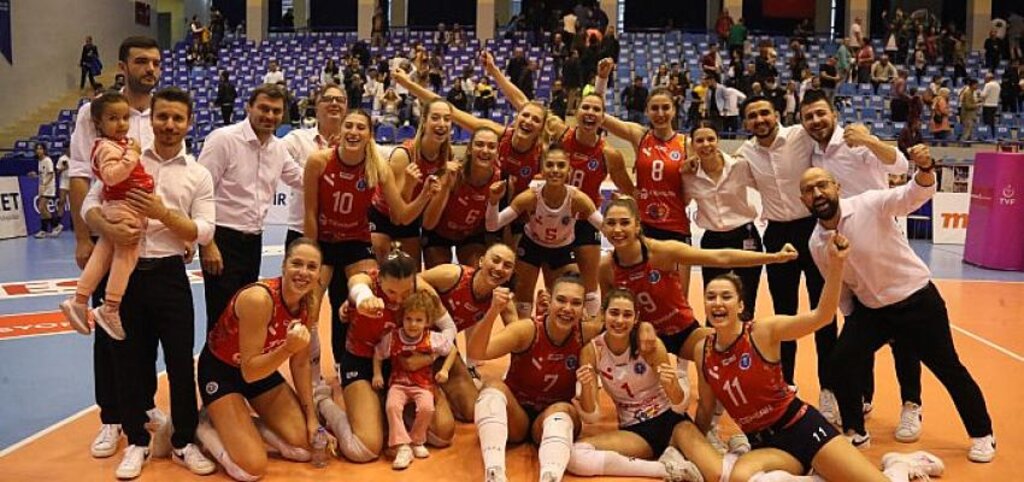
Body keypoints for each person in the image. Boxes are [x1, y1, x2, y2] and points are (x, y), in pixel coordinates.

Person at [671, 249, 945, 481]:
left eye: (726, 296)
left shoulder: (762, 332)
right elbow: (706, 408)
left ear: (741, 305)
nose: (717, 303)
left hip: (801, 428)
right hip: (763, 443)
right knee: (741, 478)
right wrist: (694, 447)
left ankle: (899, 465)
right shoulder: (703, 350)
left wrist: (836, 265)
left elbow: (821, 316)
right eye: (710, 297)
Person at [802, 152, 996, 462]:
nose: (817, 193)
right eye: (809, 190)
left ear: (837, 187)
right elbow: (841, 288)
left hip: (917, 301)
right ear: (803, 200)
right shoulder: (816, 243)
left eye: (822, 185)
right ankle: (855, 431)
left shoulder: (869, 203)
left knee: (948, 368)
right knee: (840, 362)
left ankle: (982, 434)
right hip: (872, 312)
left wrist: (926, 168)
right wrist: (854, 324)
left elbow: (912, 194)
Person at [80, 87, 217, 480]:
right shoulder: (127, 157)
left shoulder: (198, 173)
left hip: (170, 276)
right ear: (152, 119)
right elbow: (90, 204)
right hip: (127, 277)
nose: (169, 125)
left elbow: (204, 230)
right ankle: (137, 442)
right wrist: (107, 227)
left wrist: (163, 214)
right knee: (128, 362)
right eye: (162, 117)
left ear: (189, 123)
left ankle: (183, 441)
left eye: (178, 118)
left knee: (180, 363)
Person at [798, 91, 922, 436]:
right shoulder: (814, 153)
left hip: (880, 244)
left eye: (820, 113)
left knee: (903, 332)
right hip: (841, 249)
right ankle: (862, 396)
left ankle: (911, 405)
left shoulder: (856, 141)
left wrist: (869, 140)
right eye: (808, 117)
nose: (816, 121)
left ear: (834, 114)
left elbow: (900, 166)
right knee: (855, 321)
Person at [68, 35, 164, 461]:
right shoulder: (96, 112)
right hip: (109, 228)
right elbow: (79, 174)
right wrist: (84, 236)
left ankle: (143, 406)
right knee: (108, 335)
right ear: (123, 66)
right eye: (141, 61)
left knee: (141, 329)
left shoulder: (162, 111)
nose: (150, 69)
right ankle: (110, 418)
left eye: (155, 62)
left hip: (148, 239)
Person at [481, 50, 632, 317]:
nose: (590, 113)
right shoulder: (561, 133)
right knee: (531, 282)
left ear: (603, 117)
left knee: (587, 286)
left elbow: (630, 190)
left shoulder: (610, 154)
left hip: (584, 218)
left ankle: (588, 331)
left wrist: (635, 210)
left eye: (596, 111)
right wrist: (494, 72)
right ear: (576, 112)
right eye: (585, 108)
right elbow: (522, 102)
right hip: (548, 213)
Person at [195, 239, 322, 481]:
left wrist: (312, 417)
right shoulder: (259, 299)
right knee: (251, 469)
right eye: (297, 264)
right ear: (283, 266)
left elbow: (301, 363)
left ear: (318, 274)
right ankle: (203, 425)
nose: (303, 272)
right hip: (223, 371)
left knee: (305, 446)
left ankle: (242, 422)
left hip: (262, 369)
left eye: (312, 267)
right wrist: (287, 348)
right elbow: (249, 372)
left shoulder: (309, 302)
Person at [734, 95, 833, 393]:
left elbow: (830, 138)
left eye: (764, 112)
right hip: (777, 236)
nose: (760, 119)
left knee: (823, 312)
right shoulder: (744, 154)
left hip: (813, 229)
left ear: (777, 114)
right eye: (752, 116)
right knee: (784, 314)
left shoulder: (800, 135)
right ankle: (785, 382)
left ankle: (829, 389)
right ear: (746, 122)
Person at [392, 64, 549, 248]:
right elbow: (449, 110)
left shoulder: (543, 153)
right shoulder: (497, 134)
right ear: (517, 118)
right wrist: (408, 84)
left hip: (521, 215)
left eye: (536, 120)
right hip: (492, 207)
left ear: (541, 128)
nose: (529, 121)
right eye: (525, 115)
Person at [324, 248, 458, 462]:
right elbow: (356, 283)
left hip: (404, 366)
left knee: (442, 434)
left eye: (406, 292)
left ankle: (389, 408)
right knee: (365, 450)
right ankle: (324, 404)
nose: (398, 299)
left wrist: (429, 358)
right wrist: (364, 299)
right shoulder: (368, 282)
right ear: (380, 279)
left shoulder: (423, 290)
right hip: (362, 361)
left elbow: (449, 329)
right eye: (391, 292)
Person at [468, 274, 604, 482]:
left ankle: (550, 477)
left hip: (554, 416)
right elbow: (477, 352)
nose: (567, 308)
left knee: (563, 410)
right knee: (492, 387)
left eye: (576, 303)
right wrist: (493, 311)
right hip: (517, 416)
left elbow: (623, 323)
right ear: (549, 300)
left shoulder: (587, 334)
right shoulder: (527, 330)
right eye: (561, 300)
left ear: (584, 308)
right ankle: (494, 473)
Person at [199, 84, 304, 334]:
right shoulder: (223, 139)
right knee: (221, 318)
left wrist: (336, 161)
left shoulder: (278, 148)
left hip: (253, 242)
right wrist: (207, 243)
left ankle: (239, 361)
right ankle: (212, 362)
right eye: (264, 109)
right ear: (249, 107)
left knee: (244, 315)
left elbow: (302, 179)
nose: (270, 116)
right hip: (222, 240)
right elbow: (200, 191)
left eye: (276, 111)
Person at [567, 288, 702, 481]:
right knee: (576, 455)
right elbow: (591, 416)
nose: (620, 320)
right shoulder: (592, 350)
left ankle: (678, 453)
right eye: (614, 313)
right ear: (603, 314)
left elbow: (680, 404)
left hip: (671, 420)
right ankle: (664, 469)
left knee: (715, 472)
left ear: (636, 318)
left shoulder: (649, 344)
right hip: (635, 431)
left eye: (627, 314)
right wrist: (587, 387)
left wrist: (672, 384)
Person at [595, 58, 696, 293]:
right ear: (647, 111)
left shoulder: (687, 144)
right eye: (654, 108)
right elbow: (598, 114)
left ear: (674, 110)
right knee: (639, 293)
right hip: (644, 226)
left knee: (678, 296)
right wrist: (602, 79)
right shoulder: (639, 136)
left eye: (665, 108)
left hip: (676, 227)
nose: (660, 113)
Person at [60, 92, 153, 340]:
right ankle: (110, 306)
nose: (121, 124)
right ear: (98, 123)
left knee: (103, 253)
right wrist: (133, 154)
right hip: (124, 207)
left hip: (122, 205)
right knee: (127, 254)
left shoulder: (118, 144)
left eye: (125, 118)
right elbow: (111, 176)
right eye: (113, 118)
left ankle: (79, 299)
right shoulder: (105, 147)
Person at [486, 146, 603, 318]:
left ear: (569, 170)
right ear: (542, 169)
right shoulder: (530, 197)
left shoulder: (578, 199)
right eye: (550, 165)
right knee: (523, 302)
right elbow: (492, 225)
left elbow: (605, 226)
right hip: (532, 246)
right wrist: (493, 201)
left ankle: (586, 326)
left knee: (569, 295)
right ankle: (524, 333)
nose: (555, 170)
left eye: (561, 165)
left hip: (562, 249)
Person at [419, 243, 518, 420]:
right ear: (481, 261)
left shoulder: (502, 301)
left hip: (442, 347)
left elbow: (520, 338)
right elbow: (415, 281)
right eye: (495, 260)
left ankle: (437, 389)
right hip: (410, 338)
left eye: (507, 265)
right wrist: (441, 313)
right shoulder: (453, 275)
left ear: (510, 274)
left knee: (471, 411)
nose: (499, 268)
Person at [681, 122, 762, 320]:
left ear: (718, 140)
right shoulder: (689, 176)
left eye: (710, 139)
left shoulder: (740, 166)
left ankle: (745, 339)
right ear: (692, 144)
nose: (706, 144)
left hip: (745, 236)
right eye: (700, 140)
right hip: (713, 241)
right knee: (714, 301)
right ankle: (715, 340)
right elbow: (681, 202)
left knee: (746, 301)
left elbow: (766, 185)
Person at [372, 291, 457, 470]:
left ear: (427, 322)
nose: (412, 324)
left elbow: (452, 350)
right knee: (392, 406)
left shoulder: (432, 338)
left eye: (419, 320)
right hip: (398, 384)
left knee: (427, 408)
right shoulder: (393, 338)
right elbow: (378, 354)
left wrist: (445, 370)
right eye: (408, 319)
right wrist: (377, 374)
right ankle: (402, 446)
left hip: (423, 385)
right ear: (402, 318)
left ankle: (417, 440)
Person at [368, 98, 455, 264]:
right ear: (424, 121)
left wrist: (445, 186)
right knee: (381, 261)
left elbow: (428, 223)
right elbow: (397, 217)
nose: (442, 123)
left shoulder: (446, 157)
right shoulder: (403, 155)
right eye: (435, 118)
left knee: (411, 272)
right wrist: (410, 186)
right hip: (382, 216)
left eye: (447, 119)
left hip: (413, 217)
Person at [421, 127, 501, 268]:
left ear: (497, 152)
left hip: (471, 235)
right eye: (479, 144)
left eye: (491, 146)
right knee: (440, 273)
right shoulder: (454, 173)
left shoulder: (500, 179)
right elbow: (428, 223)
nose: (485, 150)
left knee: (478, 272)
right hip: (439, 232)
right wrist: (446, 186)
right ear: (469, 149)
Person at [31, 143, 58, 238]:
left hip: (48, 187)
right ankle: (44, 230)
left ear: (44, 150)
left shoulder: (47, 160)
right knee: (43, 209)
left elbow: (51, 174)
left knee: (41, 207)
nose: (39, 151)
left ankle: (56, 225)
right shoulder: (40, 161)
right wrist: (35, 175)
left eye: (41, 148)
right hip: (42, 187)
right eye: (37, 149)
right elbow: (43, 175)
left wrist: (45, 184)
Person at [55, 146, 71, 231]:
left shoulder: (75, 158)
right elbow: (57, 171)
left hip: (72, 182)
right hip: (64, 182)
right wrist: (64, 168)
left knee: (73, 204)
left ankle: (73, 223)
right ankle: (58, 223)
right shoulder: (62, 159)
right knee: (61, 201)